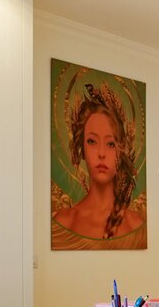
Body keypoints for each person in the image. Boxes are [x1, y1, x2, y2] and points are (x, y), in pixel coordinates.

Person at [52, 83, 147, 249]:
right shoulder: (64, 222)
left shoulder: (136, 225)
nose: (101, 153)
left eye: (110, 144)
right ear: (81, 149)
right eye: (92, 142)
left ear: (121, 151)